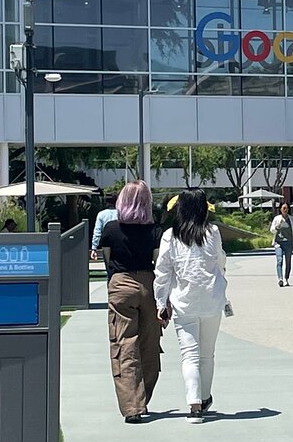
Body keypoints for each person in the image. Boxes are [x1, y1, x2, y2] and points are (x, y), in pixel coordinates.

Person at [154, 188, 228, 425]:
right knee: (207, 355)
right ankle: (204, 398)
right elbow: (220, 260)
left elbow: (162, 271)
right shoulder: (212, 232)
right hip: (212, 300)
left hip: (183, 301)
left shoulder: (171, 236)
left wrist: (161, 301)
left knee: (189, 356)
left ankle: (194, 406)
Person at [100, 181, 162, 424]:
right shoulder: (155, 230)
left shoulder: (110, 229)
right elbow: (157, 261)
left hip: (120, 284)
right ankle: (143, 397)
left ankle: (132, 406)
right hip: (148, 283)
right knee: (150, 344)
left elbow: (108, 261)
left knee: (124, 345)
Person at [271, 201, 293, 287]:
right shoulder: (277, 219)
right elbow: (272, 230)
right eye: (284, 208)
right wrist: (276, 227)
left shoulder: (292, 220)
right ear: (280, 209)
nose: (285, 210)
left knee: (288, 261)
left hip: (288, 243)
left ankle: (286, 278)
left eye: (287, 208)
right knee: (279, 260)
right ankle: (280, 279)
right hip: (278, 243)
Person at [89, 194, 119, 262]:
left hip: (106, 241)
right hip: (119, 241)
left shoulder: (101, 214)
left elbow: (97, 232)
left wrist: (94, 248)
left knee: (108, 262)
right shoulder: (121, 213)